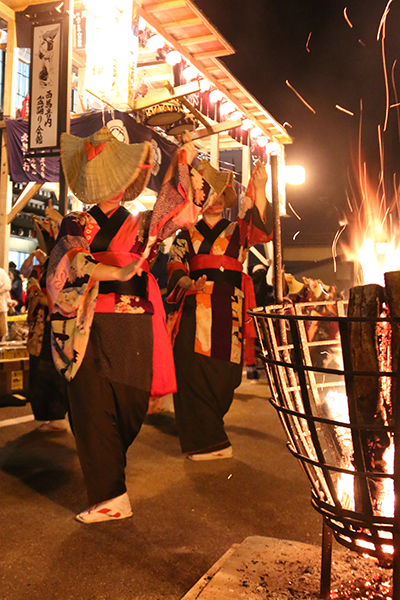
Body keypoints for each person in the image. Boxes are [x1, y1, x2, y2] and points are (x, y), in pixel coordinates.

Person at [47, 126, 201, 523]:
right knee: (92, 407)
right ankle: (110, 495)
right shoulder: (77, 222)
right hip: (88, 325)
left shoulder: (143, 222)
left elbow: (179, 212)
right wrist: (114, 272)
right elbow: (72, 262)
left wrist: (182, 162)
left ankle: (111, 481)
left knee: (129, 408)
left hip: (133, 325)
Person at [167, 161, 272, 460]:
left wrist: (261, 186)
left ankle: (211, 427)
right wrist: (188, 281)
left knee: (226, 376)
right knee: (190, 371)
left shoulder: (237, 231)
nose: (213, 201)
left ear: (226, 200)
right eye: (207, 195)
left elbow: (262, 228)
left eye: (219, 196)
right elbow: (174, 265)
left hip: (229, 309)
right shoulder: (185, 234)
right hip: (193, 305)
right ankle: (208, 442)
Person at [26, 215, 69, 432]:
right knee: (40, 368)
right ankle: (47, 414)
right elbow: (32, 283)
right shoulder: (46, 264)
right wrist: (37, 293)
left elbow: (65, 294)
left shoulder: (63, 262)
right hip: (43, 326)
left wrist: (43, 297)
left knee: (53, 368)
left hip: (57, 325)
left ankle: (57, 414)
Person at [0, 268, 11, 341]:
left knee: (1, 332)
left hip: (1, 307)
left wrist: (0, 290)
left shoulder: (1, 272)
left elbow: (8, 285)